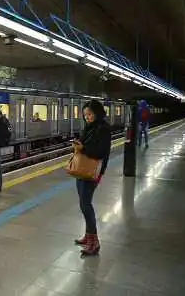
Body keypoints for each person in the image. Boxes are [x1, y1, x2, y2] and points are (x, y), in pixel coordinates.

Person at [72, 100, 111, 256]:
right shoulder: (90, 127)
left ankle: (94, 242)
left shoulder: (103, 129)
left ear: (97, 113)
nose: (87, 117)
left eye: (90, 114)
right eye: (85, 115)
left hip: (92, 171)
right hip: (82, 170)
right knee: (83, 204)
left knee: (86, 205)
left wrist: (83, 148)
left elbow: (101, 152)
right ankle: (88, 236)